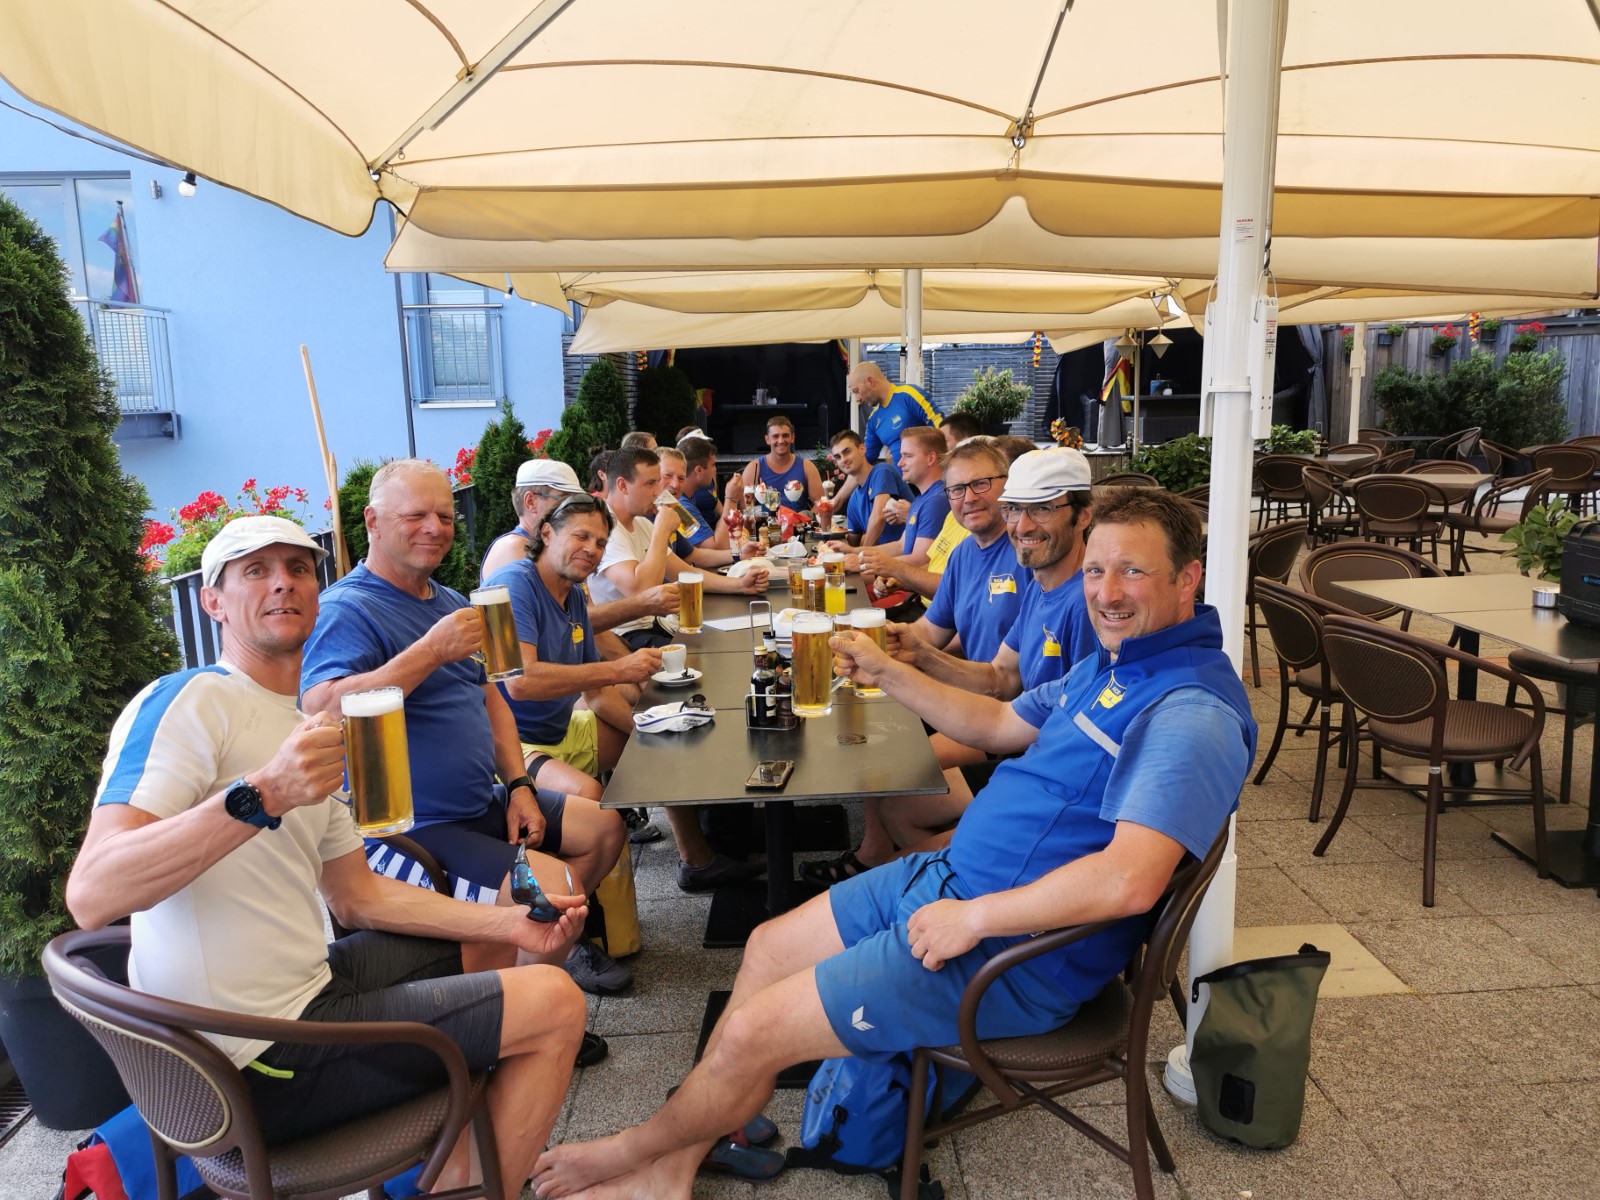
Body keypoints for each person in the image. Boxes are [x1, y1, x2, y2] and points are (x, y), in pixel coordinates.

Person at [530, 488, 1256, 1200]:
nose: (1106, 592)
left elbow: (1129, 880)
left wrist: (973, 918)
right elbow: (999, 723)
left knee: (751, 1032)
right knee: (767, 947)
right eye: (1096, 570)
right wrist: (888, 672)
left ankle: (642, 1158)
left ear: (1187, 578)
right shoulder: (1120, 660)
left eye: (1132, 571)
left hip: (1010, 949)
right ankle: (700, 1139)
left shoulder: (1189, 712)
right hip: (954, 879)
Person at [68, 517, 588, 1191]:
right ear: (212, 601)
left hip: (307, 990)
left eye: (298, 568)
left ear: (319, 594)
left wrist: (509, 921)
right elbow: (93, 893)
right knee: (556, 1003)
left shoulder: (307, 732)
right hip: (249, 1062)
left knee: (492, 943)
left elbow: (358, 896)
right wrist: (262, 794)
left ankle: (450, 1176)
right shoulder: (192, 701)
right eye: (255, 571)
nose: (283, 582)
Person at [300, 460, 630, 1011]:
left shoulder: (452, 602)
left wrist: (520, 786)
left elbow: (494, 699)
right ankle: (521, 1014)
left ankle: (538, 955)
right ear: (373, 522)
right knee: (559, 888)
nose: (435, 527)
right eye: (416, 515)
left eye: (445, 516)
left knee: (604, 826)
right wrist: (430, 651)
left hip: (482, 801)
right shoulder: (347, 608)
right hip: (414, 828)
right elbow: (324, 708)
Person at [805, 448, 1099, 883]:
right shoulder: (1040, 584)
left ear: (1083, 516)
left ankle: (964, 882)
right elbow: (1000, 676)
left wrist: (899, 668)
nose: (1022, 525)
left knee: (891, 796)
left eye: (1042, 509)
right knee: (893, 795)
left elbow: (1041, 729)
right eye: (1016, 509)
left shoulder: (1089, 603)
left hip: (1048, 778)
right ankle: (954, 883)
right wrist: (915, 654)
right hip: (1014, 740)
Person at [591, 448, 769, 651]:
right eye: (650, 483)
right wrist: (662, 530)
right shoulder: (606, 527)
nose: (658, 491)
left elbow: (685, 572)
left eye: (658, 482)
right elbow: (641, 590)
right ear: (622, 485)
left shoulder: (641, 523)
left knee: (724, 645)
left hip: (654, 625)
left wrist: (740, 585)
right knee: (703, 656)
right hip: (623, 637)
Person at [907, 439, 1024, 665]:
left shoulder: (1028, 551)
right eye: (957, 490)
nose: (969, 498)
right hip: (972, 680)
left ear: (1007, 485)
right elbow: (931, 630)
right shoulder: (961, 554)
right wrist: (885, 638)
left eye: (980, 484)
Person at [855, 426, 949, 587]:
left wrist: (862, 564)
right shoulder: (922, 498)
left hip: (913, 591)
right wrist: (853, 552)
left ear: (931, 458)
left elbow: (920, 560)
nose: (900, 463)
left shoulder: (936, 501)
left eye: (908, 456)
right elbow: (901, 546)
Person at [826, 428, 909, 549]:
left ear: (862, 449)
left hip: (908, 555)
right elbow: (852, 542)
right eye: (838, 457)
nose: (843, 460)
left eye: (847, 452)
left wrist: (861, 555)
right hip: (880, 557)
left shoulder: (882, 471)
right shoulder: (854, 500)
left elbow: (878, 517)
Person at [850, 360, 940, 468]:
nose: (857, 399)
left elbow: (942, 429)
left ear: (870, 381)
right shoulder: (873, 419)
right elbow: (864, 463)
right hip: (899, 477)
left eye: (856, 391)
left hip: (926, 475)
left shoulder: (908, 395)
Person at [657, 445, 732, 566]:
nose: (675, 484)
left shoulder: (675, 507)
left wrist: (739, 554)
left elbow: (692, 555)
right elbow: (716, 547)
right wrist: (731, 499)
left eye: (681, 478)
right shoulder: (645, 516)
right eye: (667, 475)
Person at [732, 416, 822, 509]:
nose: (781, 441)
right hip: (764, 518)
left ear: (792, 437)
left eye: (785, 435)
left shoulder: (807, 467)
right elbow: (745, 508)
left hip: (799, 518)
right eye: (775, 436)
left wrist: (808, 516)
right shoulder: (754, 468)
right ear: (767, 439)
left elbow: (820, 504)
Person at [677, 435, 724, 532]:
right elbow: (714, 542)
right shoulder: (683, 507)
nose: (715, 470)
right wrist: (731, 500)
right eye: (713, 465)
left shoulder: (689, 496)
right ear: (699, 470)